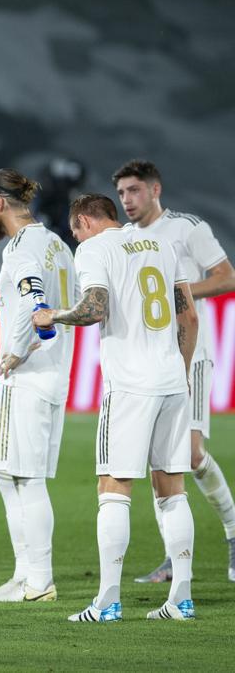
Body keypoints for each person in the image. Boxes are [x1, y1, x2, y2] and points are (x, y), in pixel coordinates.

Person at [34, 193, 199, 622]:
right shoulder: (161, 243)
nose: (75, 241)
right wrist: (178, 370)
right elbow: (189, 317)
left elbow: (94, 309)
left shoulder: (93, 248)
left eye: (74, 233)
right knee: (172, 488)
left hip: (129, 385)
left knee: (113, 489)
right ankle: (181, 599)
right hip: (172, 381)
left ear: (85, 221)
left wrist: (55, 316)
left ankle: (108, 601)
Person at [114, 160, 235, 584]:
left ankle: (234, 530)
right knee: (159, 459)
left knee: (192, 453)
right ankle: (173, 557)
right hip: (147, 362)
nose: (127, 200)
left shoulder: (187, 228)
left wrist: (177, 293)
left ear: (155, 189)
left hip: (190, 353)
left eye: (134, 190)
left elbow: (226, 277)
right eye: (122, 193)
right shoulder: (122, 239)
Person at [0, 169, 78, 603]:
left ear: (0, 203)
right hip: (56, 373)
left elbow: (35, 296)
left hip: (29, 374)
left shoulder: (20, 248)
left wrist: (19, 348)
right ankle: (25, 575)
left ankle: (39, 580)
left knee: (27, 478)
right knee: (8, 473)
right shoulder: (56, 242)